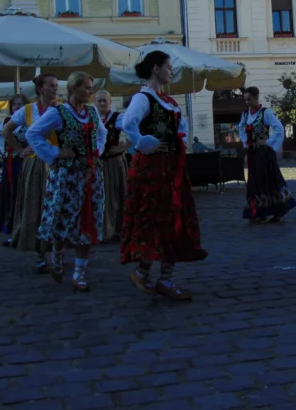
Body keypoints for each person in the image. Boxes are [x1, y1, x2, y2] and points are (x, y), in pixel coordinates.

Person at [121, 51, 207, 301]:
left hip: (170, 166)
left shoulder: (166, 98)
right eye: (168, 67)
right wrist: (141, 142)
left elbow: (180, 126)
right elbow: (128, 123)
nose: (171, 71)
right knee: (156, 219)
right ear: (156, 68)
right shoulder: (143, 97)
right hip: (153, 169)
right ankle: (145, 273)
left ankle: (164, 278)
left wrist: (180, 136)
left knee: (173, 219)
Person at [27, 72, 106, 292]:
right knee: (63, 220)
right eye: (87, 88)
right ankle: (58, 256)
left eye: (91, 88)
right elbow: (33, 134)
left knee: (87, 222)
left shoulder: (91, 112)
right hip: (66, 177)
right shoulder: (58, 113)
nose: (90, 92)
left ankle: (79, 274)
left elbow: (102, 133)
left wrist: (97, 149)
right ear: (74, 88)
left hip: (90, 176)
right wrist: (53, 152)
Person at [2, 73, 58, 271]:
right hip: (35, 165)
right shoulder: (28, 111)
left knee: (57, 209)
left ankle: (57, 251)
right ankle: (41, 254)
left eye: (56, 86)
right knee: (37, 208)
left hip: (56, 164)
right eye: (51, 85)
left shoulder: (61, 109)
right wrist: (20, 150)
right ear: (41, 89)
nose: (56, 89)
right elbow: (6, 131)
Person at [240, 86, 296, 225]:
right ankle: (258, 212)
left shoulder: (265, 113)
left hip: (264, 153)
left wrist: (270, 143)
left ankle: (277, 211)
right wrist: (246, 143)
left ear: (256, 98)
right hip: (253, 153)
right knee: (255, 182)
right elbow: (241, 128)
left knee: (269, 180)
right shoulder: (245, 114)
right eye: (245, 100)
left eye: (250, 99)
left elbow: (278, 128)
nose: (247, 102)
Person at [95, 89, 130, 242]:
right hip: (97, 162)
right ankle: (101, 227)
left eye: (105, 101)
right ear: (95, 103)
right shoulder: (92, 117)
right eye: (99, 101)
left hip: (113, 162)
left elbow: (135, 127)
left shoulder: (117, 118)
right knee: (99, 195)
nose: (102, 103)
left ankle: (116, 227)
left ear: (110, 103)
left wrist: (125, 146)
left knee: (115, 194)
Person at [0, 94, 29, 236]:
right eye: (14, 104)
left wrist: (25, 150)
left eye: (20, 104)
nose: (17, 106)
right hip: (9, 161)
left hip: (22, 162)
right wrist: (5, 149)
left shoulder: (28, 122)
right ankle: (7, 224)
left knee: (20, 191)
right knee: (8, 191)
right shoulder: (7, 121)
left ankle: (20, 224)